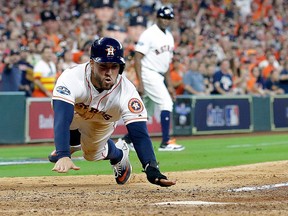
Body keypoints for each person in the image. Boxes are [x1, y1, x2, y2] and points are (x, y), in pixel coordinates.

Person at [48, 37, 175, 187]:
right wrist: (63, 154)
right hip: (75, 111)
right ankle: (73, 143)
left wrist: (151, 168)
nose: (109, 72)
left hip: (101, 121)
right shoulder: (71, 78)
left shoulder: (127, 92)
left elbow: (139, 134)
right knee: (65, 116)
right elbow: (62, 118)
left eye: (114, 66)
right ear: (92, 64)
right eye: (103, 66)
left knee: (91, 155)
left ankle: (119, 155)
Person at [121, 6, 185, 152]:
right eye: (163, 17)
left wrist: (169, 86)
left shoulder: (169, 36)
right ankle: (166, 142)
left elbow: (166, 63)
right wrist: (140, 82)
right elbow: (137, 57)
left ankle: (127, 140)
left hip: (159, 74)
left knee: (146, 113)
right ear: (157, 17)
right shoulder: (149, 34)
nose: (166, 20)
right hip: (148, 73)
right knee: (166, 103)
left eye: (168, 18)